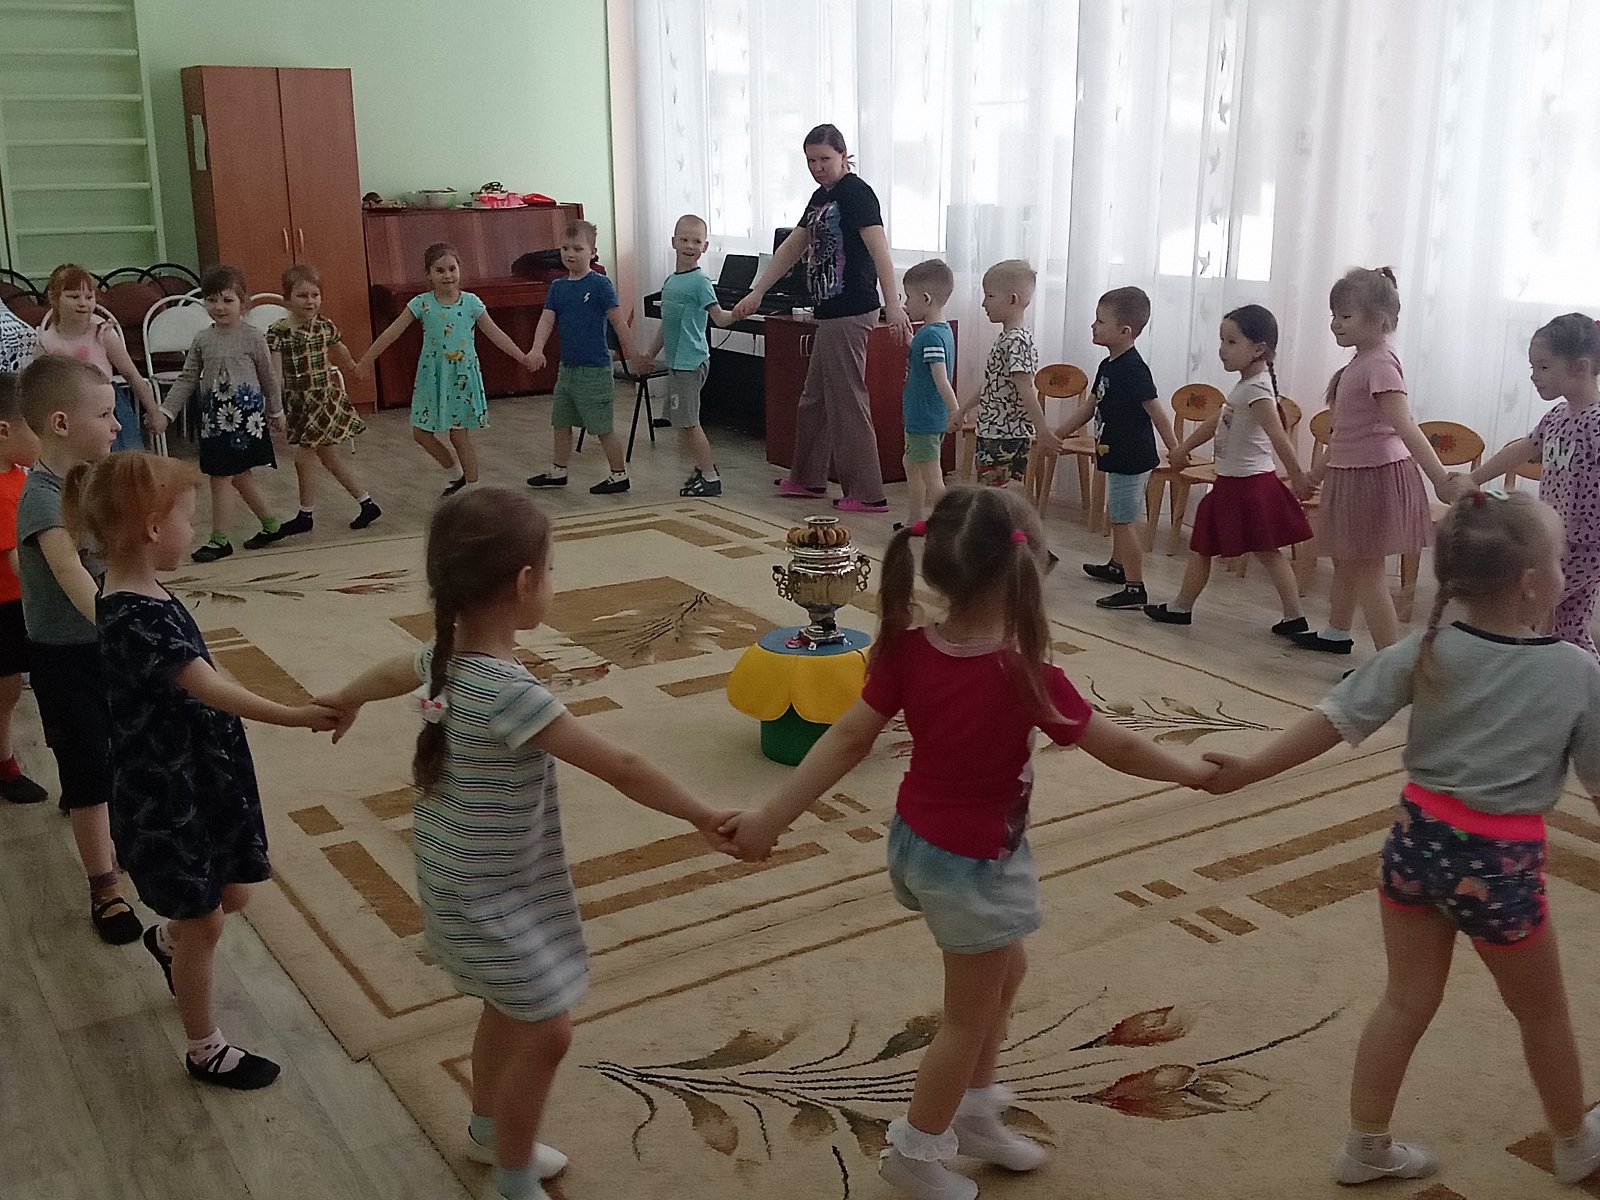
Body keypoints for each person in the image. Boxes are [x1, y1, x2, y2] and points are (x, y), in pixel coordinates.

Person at [721, 486, 1217, 1200]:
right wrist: (1194, 774)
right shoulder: (1027, 675)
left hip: (920, 846)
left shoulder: (909, 650)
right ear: (1027, 570)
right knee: (965, 1019)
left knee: (1005, 975)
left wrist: (774, 815)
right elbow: (1121, 748)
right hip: (974, 865)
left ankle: (978, 1112)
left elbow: (848, 739)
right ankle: (915, 1151)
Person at [317, 487, 738, 1200]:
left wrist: (347, 697)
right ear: (523, 583)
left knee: (507, 1009)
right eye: (551, 569)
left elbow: (393, 669)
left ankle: (488, 1133)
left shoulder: (446, 658)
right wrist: (703, 814)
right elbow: (620, 765)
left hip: (464, 877)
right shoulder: (512, 693)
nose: (553, 582)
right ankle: (513, 1177)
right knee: (548, 1029)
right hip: (487, 892)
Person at [1203, 490, 1600, 1187]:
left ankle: (1365, 1145)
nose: (1566, 573)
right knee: (1543, 1015)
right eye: (1561, 561)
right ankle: (1574, 1143)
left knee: (1405, 1001)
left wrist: (1251, 769)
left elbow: (1334, 719)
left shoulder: (1425, 649)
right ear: (1533, 584)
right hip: (1501, 872)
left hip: (1414, 848)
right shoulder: (1577, 673)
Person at [62, 452, 338, 1088]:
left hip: (203, 773)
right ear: (153, 529)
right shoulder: (133, 616)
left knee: (232, 892)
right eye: (187, 519)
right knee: (207, 918)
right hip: (167, 791)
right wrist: (295, 715)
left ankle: (169, 943)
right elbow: (208, 686)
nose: (196, 530)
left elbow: (203, 675)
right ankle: (204, 1048)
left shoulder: (143, 592)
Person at [15, 356, 139, 942]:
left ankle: (126, 839)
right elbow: (76, 581)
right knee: (88, 775)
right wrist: (130, 631)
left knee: (123, 752)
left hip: (104, 647)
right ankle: (104, 889)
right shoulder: (43, 499)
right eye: (106, 414)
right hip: (66, 659)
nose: (117, 424)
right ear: (62, 423)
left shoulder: (91, 480)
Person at [732, 123, 912, 514]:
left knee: (848, 402)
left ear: (844, 156)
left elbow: (879, 249)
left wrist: (894, 303)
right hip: (828, 311)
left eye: (825, 159)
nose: (817, 167)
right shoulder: (821, 197)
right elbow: (792, 247)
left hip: (851, 310)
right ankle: (807, 478)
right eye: (811, 160)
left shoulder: (857, 193)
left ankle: (867, 493)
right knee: (814, 400)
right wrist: (757, 292)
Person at [1288, 267, 1450, 654]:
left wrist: (1440, 479)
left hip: (1374, 477)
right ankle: (1337, 632)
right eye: (1334, 315)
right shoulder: (1362, 362)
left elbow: (1405, 425)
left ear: (1378, 320)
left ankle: (1390, 661)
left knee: (1366, 570)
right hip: (1353, 474)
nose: (1335, 323)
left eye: (1345, 315)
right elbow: (1346, 432)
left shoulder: (1379, 364)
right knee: (1349, 560)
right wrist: (1316, 473)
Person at [1143, 304, 1313, 632]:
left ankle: (1184, 607)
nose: (1222, 349)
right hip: (1239, 483)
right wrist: (1183, 448)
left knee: (1241, 549)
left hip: (1247, 486)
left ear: (1259, 349)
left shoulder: (1257, 389)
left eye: (1231, 342)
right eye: (1222, 340)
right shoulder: (1246, 386)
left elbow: (1278, 435)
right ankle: (1292, 616)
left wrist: (1298, 476)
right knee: (1237, 548)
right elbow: (1218, 420)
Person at [1444, 313, 1600, 657]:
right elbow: (1521, 449)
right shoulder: (1557, 416)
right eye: (1533, 367)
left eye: (1543, 366)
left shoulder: (1595, 422)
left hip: (1585, 545)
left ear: (1580, 367)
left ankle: (1512, 671)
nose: (1533, 375)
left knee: (1519, 609)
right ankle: (1583, 681)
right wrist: (1473, 479)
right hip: (1558, 538)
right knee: (1570, 626)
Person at [356, 241, 533, 496]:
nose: (447, 275)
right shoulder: (422, 303)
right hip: (433, 377)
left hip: (461, 377)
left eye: (452, 269)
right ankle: (456, 475)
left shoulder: (471, 303)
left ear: (459, 269)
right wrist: (366, 360)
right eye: (440, 270)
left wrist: (522, 356)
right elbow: (392, 333)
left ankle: (474, 489)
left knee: (458, 435)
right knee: (421, 433)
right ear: (428, 274)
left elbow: (495, 333)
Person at [1054, 286, 1180, 610]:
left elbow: (1156, 412)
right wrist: (1061, 433)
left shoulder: (1134, 369)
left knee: (1123, 520)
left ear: (1125, 331)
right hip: (1115, 453)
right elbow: (1090, 406)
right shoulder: (1108, 365)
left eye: (1100, 321)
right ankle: (1117, 566)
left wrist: (1175, 449)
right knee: (1118, 513)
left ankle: (1135, 588)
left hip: (1131, 457)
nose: (1093, 326)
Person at [158, 265, 287, 562]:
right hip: (215, 420)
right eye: (212, 300)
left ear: (244, 301)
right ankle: (271, 525)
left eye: (228, 300)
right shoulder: (202, 339)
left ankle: (220, 541)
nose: (219, 307)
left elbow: (268, 378)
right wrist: (166, 412)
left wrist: (276, 409)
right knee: (239, 476)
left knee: (221, 477)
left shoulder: (253, 337)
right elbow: (187, 378)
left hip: (244, 420)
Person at [526, 220, 651, 495]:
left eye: (578, 248)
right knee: (561, 422)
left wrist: (633, 357)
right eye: (565, 248)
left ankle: (619, 475)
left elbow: (618, 323)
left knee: (602, 428)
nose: (570, 254)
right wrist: (536, 348)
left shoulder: (600, 284)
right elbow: (546, 321)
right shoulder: (558, 287)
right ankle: (559, 471)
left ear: (593, 252)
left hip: (594, 371)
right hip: (567, 369)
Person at [266, 264, 381, 535]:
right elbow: (275, 373)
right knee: (329, 458)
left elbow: (340, 349)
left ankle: (305, 515)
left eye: (315, 295)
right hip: (298, 402)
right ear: (287, 299)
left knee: (302, 459)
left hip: (322, 401)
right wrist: (275, 406)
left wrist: (354, 368)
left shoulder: (324, 326)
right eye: (302, 296)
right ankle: (367, 503)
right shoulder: (279, 332)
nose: (310, 301)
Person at [641, 214, 737, 498]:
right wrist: (650, 353)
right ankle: (702, 467)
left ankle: (710, 478)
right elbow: (667, 324)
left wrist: (740, 312)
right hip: (677, 363)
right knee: (682, 422)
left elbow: (719, 318)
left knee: (690, 423)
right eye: (684, 239)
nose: (689, 246)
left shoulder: (700, 282)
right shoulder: (671, 281)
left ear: (704, 247)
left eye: (696, 241)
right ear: (673, 242)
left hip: (691, 363)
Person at [951, 260, 1057, 496]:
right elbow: (993, 385)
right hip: (994, 432)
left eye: (990, 296)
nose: (984, 303)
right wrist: (963, 409)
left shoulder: (1016, 341)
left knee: (995, 497)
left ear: (1012, 299)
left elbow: (1025, 388)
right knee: (996, 495)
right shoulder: (1008, 339)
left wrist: (1042, 430)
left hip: (1004, 436)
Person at [35, 263, 165, 452]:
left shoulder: (102, 333)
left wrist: (153, 411)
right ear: (53, 298)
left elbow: (131, 374)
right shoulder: (46, 341)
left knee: (121, 461)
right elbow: (39, 386)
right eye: (73, 297)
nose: (82, 303)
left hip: (108, 407)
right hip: (69, 411)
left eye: (89, 297)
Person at [0, 374, 46, 804]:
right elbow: (17, 559)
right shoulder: (3, 491)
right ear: (4, 431)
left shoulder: (20, 477)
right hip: (10, 606)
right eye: (35, 428)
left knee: (12, 688)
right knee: (7, 689)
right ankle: (6, 764)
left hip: (18, 602)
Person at [897, 258, 958, 528]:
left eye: (908, 298)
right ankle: (915, 520)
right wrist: (909, 338)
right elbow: (924, 357)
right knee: (912, 465)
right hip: (922, 417)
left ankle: (951, 526)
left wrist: (955, 410)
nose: (906, 304)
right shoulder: (936, 332)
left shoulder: (932, 336)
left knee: (931, 475)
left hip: (925, 418)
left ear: (926, 298)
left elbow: (940, 379)